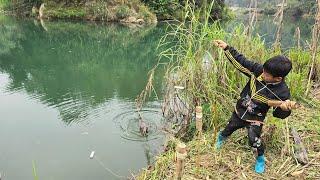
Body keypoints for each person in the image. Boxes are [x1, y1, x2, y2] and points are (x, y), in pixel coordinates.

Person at [213, 40, 295, 174]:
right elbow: (241, 62)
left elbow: (278, 115)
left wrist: (284, 109)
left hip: (256, 117)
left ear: (278, 79)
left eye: (267, 75)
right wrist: (227, 48)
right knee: (230, 126)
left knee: (254, 139)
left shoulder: (282, 92)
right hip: (240, 110)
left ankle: (260, 159)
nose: (262, 75)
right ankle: (221, 138)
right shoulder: (259, 71)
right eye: (263, 71)